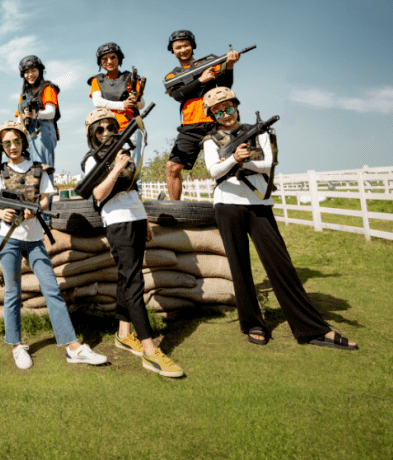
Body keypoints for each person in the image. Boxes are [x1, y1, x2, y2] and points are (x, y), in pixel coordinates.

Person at [202, 87, 358, 351]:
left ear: (236, 106)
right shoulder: (210, 140)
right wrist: (233, 159)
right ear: (212, 115)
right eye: (218, 111)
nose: (226, 114)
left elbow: (268, 164)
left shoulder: (259, 131)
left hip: (259, 203)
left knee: (280, 265)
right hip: (226, 205)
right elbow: (213, 170)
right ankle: (252, 323)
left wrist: (244, 161)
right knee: (239, 268)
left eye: (229, 107)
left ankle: (311, 328)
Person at [0, 121, 108, 370]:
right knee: (13, 293)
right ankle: (16, 345)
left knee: (51, 289)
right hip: (9, 238)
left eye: (17, 141)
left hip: (34, 239)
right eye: (7, 143)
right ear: (1, 146)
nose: (13, 146)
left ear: (24, 141)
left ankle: (72, 347)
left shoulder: (38, 169)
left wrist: (38, 210)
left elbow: (46, 197)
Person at [81, 109, 185, 378]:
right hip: (117, 223)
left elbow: (133, 189)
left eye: (110, 127)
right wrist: (115, 168)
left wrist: (145, 220)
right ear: (91, 135)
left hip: (136, 219)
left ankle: (124, 334)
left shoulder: (124, 156)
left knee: (126, 279)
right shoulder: (92, 159)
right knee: (134, 282)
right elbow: (98, 194)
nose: (106, 133)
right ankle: (151, 353)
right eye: (99, 129)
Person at [164, 30, 240, 200]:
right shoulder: (172, 76)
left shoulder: (209, 63)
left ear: (192, 46)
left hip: (218, 121)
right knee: (172, 167)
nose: (182, 49)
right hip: (190, 126)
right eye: (178, 47)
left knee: (231, 164)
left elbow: (225, 85)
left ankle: (232, 205)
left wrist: (229, 67)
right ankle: (175, 208)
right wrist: (200, 81)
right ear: (173, 50)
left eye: (186, 45)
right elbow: (177, 95)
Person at [88, 42, 145, 165]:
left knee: (132, 166)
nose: (109, 61)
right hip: (106, 131)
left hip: (130, 128)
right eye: (104, 59)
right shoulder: (97, 80)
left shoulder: (131, 78)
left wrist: (136, 100)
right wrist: (122, 105)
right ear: (100, 62)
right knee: (108, 167)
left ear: (119, 58)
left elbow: (142, 104)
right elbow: (97, 102)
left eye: (113, 57)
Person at [15, 55, 60, 174]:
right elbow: (19, 118)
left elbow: (51, 113)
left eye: (33, 70)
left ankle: (47, 193)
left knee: (43, 168)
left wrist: (34, 115)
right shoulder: (23, 95)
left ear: (40, 70)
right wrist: (24, 117)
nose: (30, 75)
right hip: (27, 131)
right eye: (27, 72)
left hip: (44, 129)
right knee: (27, 170)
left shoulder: (47, 88)